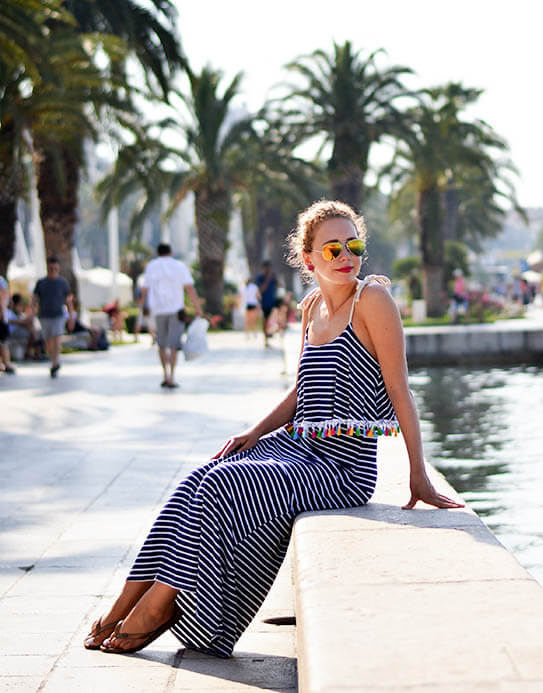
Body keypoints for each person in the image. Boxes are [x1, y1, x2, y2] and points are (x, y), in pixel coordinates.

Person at [85, 199, 463, 657]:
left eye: (354, 245)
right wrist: (256, 432)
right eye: (332, 249)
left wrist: (417, 473)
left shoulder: (374, 301)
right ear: (308, 260)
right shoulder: (312, 309)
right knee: (195, 480)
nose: (346, 256)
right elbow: (302, 390)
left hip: (341, 468)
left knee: (220, 487)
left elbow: (400, 390)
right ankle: (124, 603)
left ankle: (158, 608)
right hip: (293, 448)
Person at [140, 243, 203, 388]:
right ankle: (172, 376)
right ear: (171, 252)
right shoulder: (179, 266)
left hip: (158, 311)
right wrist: (198, 309)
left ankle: (165, 375)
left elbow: (144, 290)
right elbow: (190, 288)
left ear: (158, 253)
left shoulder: (151, 266)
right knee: (174, 344)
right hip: (176, 310)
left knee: (161, 344)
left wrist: (142, 310)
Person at [33, 257, 75, 378]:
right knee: (48, 342)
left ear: (58, 268)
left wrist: (71, 316)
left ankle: (55, 363)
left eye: (55, 269)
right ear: (47, 268)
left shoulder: (63, 283)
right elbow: (34, 299)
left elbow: (69, 301)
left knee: (57, 339)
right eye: (51, 268)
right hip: (44, 316)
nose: (53, 271)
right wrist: (32, 313)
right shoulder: (41, 283)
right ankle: (53, 361)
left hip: (58, 316)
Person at [6, 293, 44, 361]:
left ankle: (32, 352)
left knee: (33, 328)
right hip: (12, 332)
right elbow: (9, 321)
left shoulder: (18, 312)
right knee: (31, 328)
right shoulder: (7, 311)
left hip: (20, 331)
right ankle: (35, 352)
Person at [255, 260, 278, 345]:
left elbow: (278, 286)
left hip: (273, 301)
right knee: (265, 320)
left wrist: (275, 279)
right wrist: (267, 280)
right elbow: (261, 290)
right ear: (263, 268)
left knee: (273, 319)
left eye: (269, 268)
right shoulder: (260, 278)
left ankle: (270, 333)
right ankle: (266, 339)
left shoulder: (273, 277)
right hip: (264, 302)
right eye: (266, 268)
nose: (268, 269)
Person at [0, 275, 14, 374]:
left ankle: (6, 363)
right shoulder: (1, 281)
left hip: (2, 317)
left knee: (3, 342)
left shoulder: (1, 281)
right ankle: (6, 364)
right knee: (3, 342)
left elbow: (3, 298)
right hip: (2, 317)